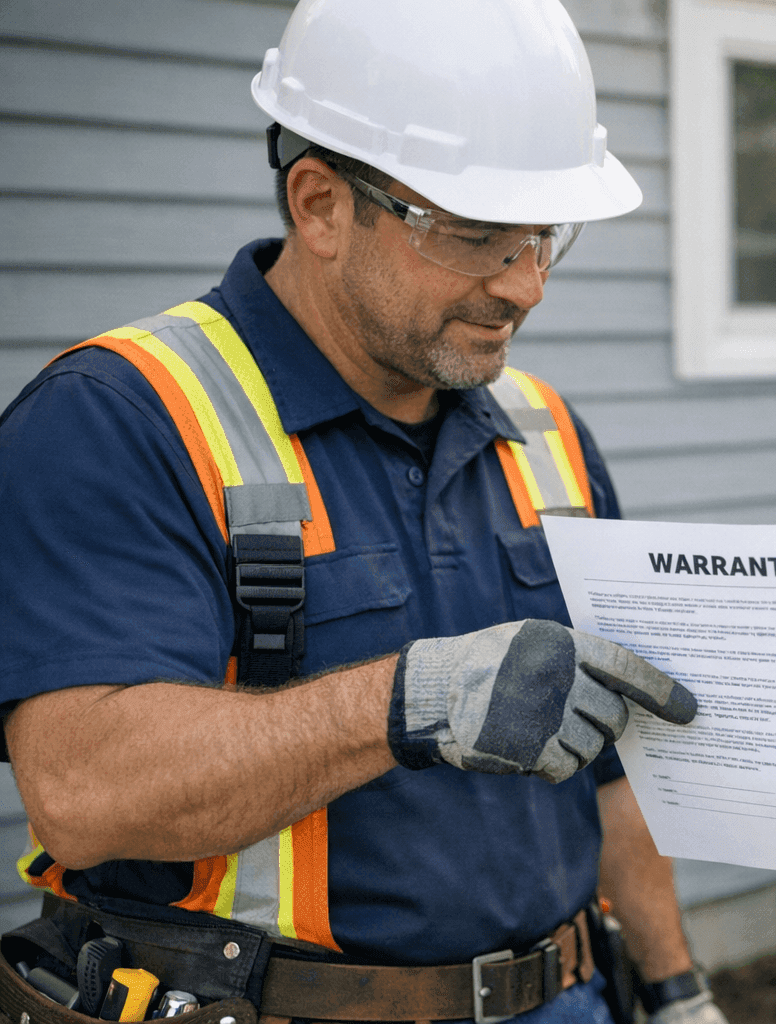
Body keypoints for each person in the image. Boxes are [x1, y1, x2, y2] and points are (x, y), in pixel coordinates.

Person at [0, 2, 727, 1022]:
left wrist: (673, 984)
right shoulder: (121, 418)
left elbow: (610, 770)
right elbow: (83, 792)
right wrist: (405, 702)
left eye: (543, 236)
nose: (526, 284)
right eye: (478, 236)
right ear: (321, 204)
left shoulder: (548, 434)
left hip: (566, 997)